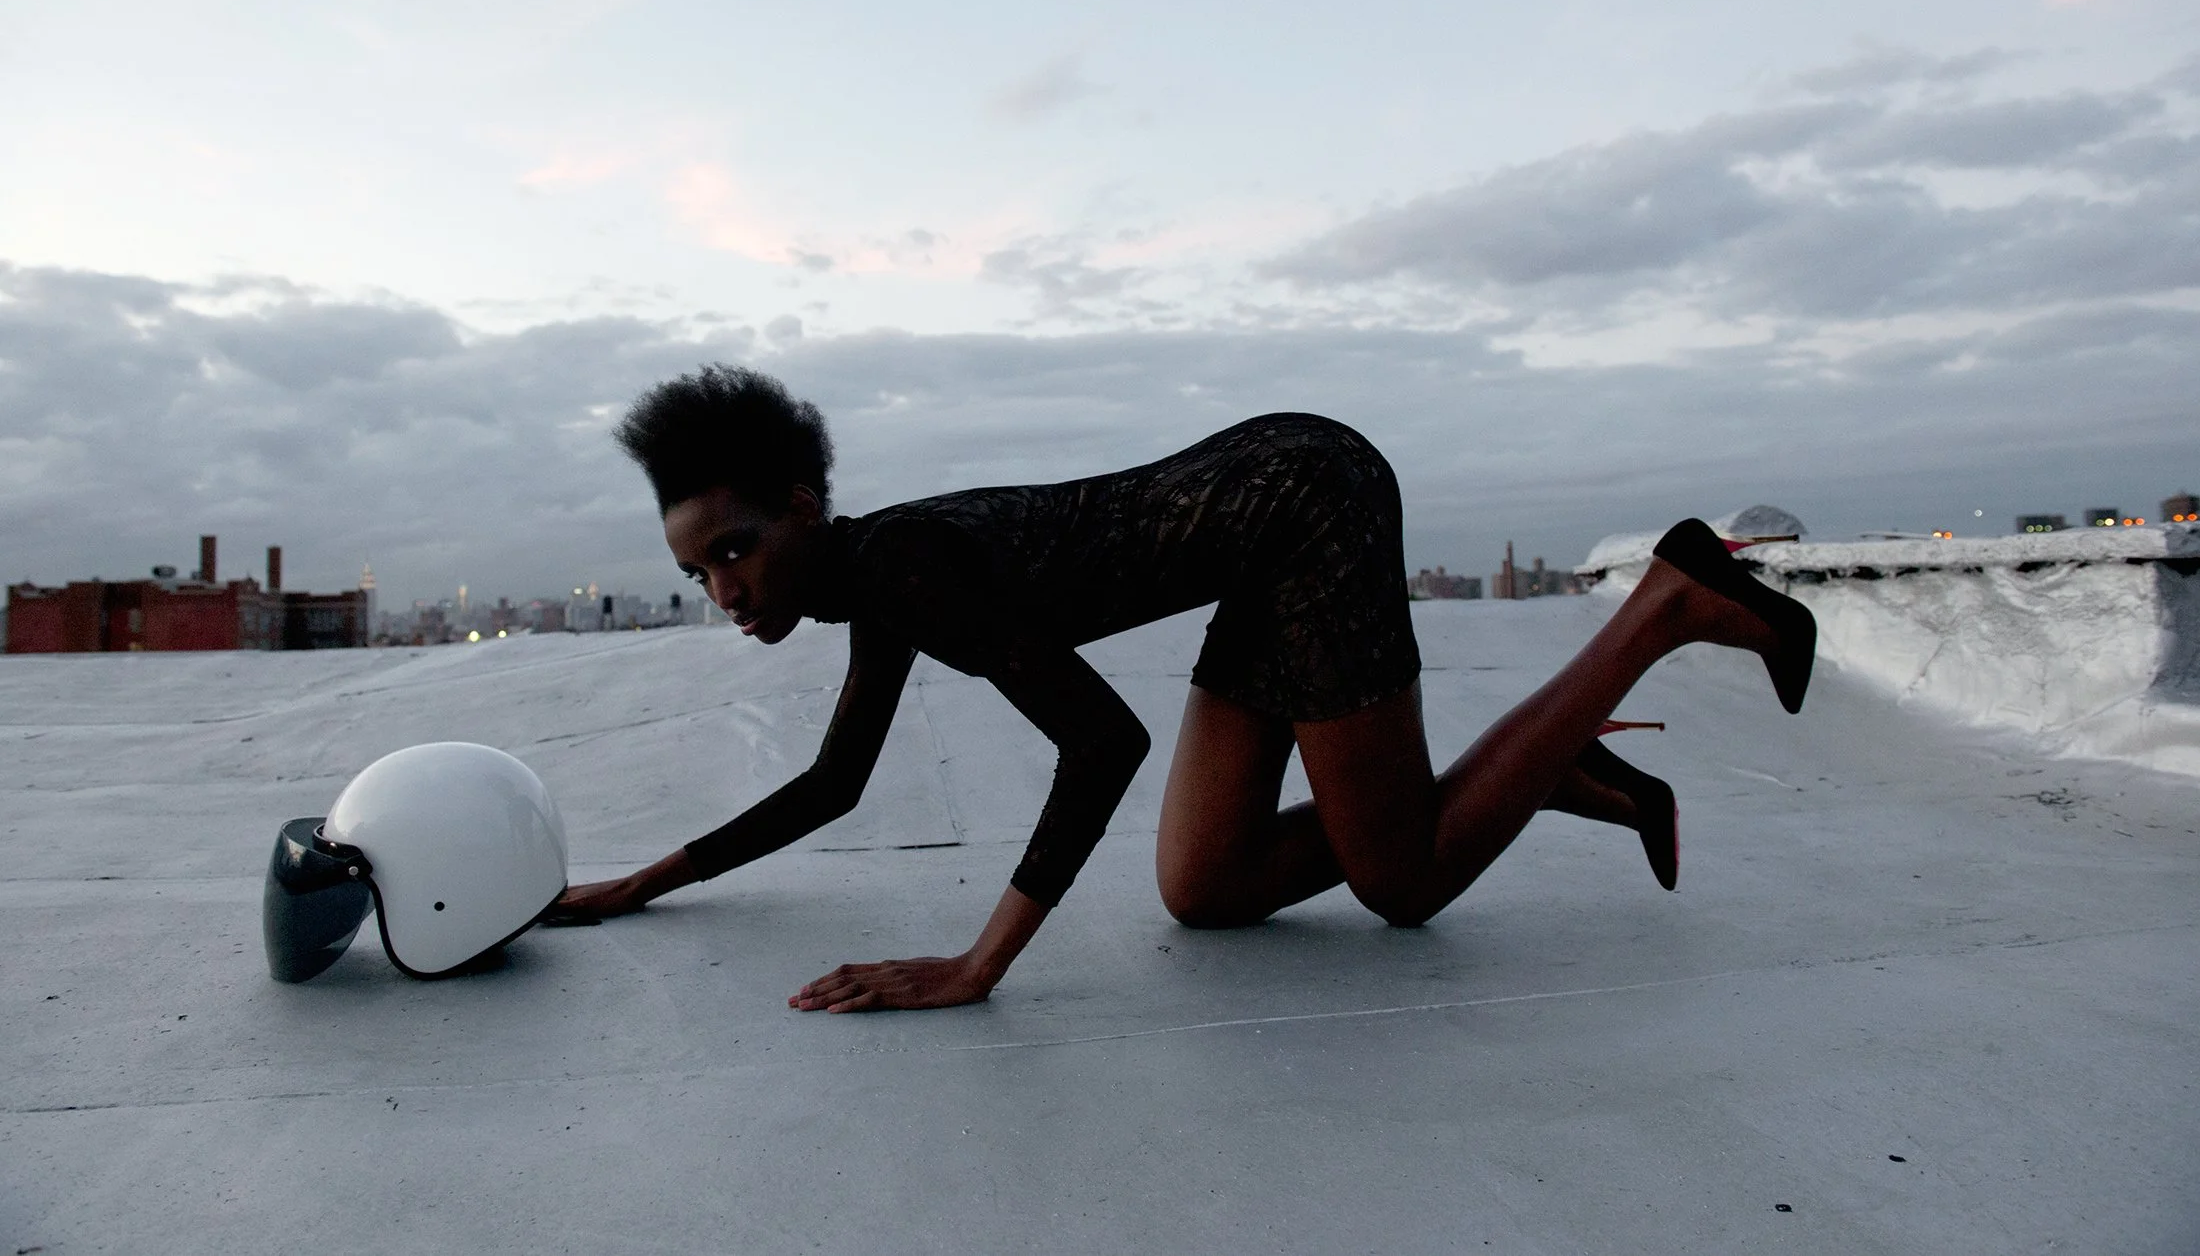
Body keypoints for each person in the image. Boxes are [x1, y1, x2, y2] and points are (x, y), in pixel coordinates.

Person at [553, 365, 1815, 1013]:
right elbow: (837, 782)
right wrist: (636, 886)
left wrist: (976, 965)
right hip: (1262, 540)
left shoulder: (903, 566)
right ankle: (1544, 771)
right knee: (1203, 889)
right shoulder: (874, 578)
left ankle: (1669, 601)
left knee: (1403, 882)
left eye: (735, 549)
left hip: (1308, 507)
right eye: (696, 571)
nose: (724, 589)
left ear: (802, 508)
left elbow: (1101, 740)